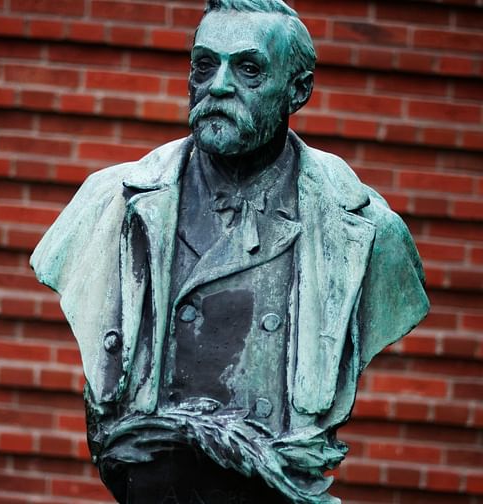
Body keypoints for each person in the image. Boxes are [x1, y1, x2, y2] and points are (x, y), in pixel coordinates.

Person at [31, 1, 429, 502]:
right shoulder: (109, 204)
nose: (217, 85)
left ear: (298, 90)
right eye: (203, 64)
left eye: (247, 69)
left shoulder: (367, 231)